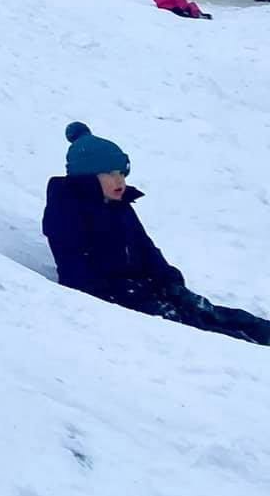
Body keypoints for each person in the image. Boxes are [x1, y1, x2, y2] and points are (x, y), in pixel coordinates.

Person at [42, 122, 267, 342]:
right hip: (117, 295)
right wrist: (120, 293)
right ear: (87, 177)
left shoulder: (120, 206)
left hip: (146, 285)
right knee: (194, 329)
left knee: (206, 311)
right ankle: (246, 353)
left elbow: (144, 246)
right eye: (110, 174)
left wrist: (168, 279)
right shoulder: (66, 211)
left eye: (122, 173)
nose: (120, 180)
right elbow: (74, 267)